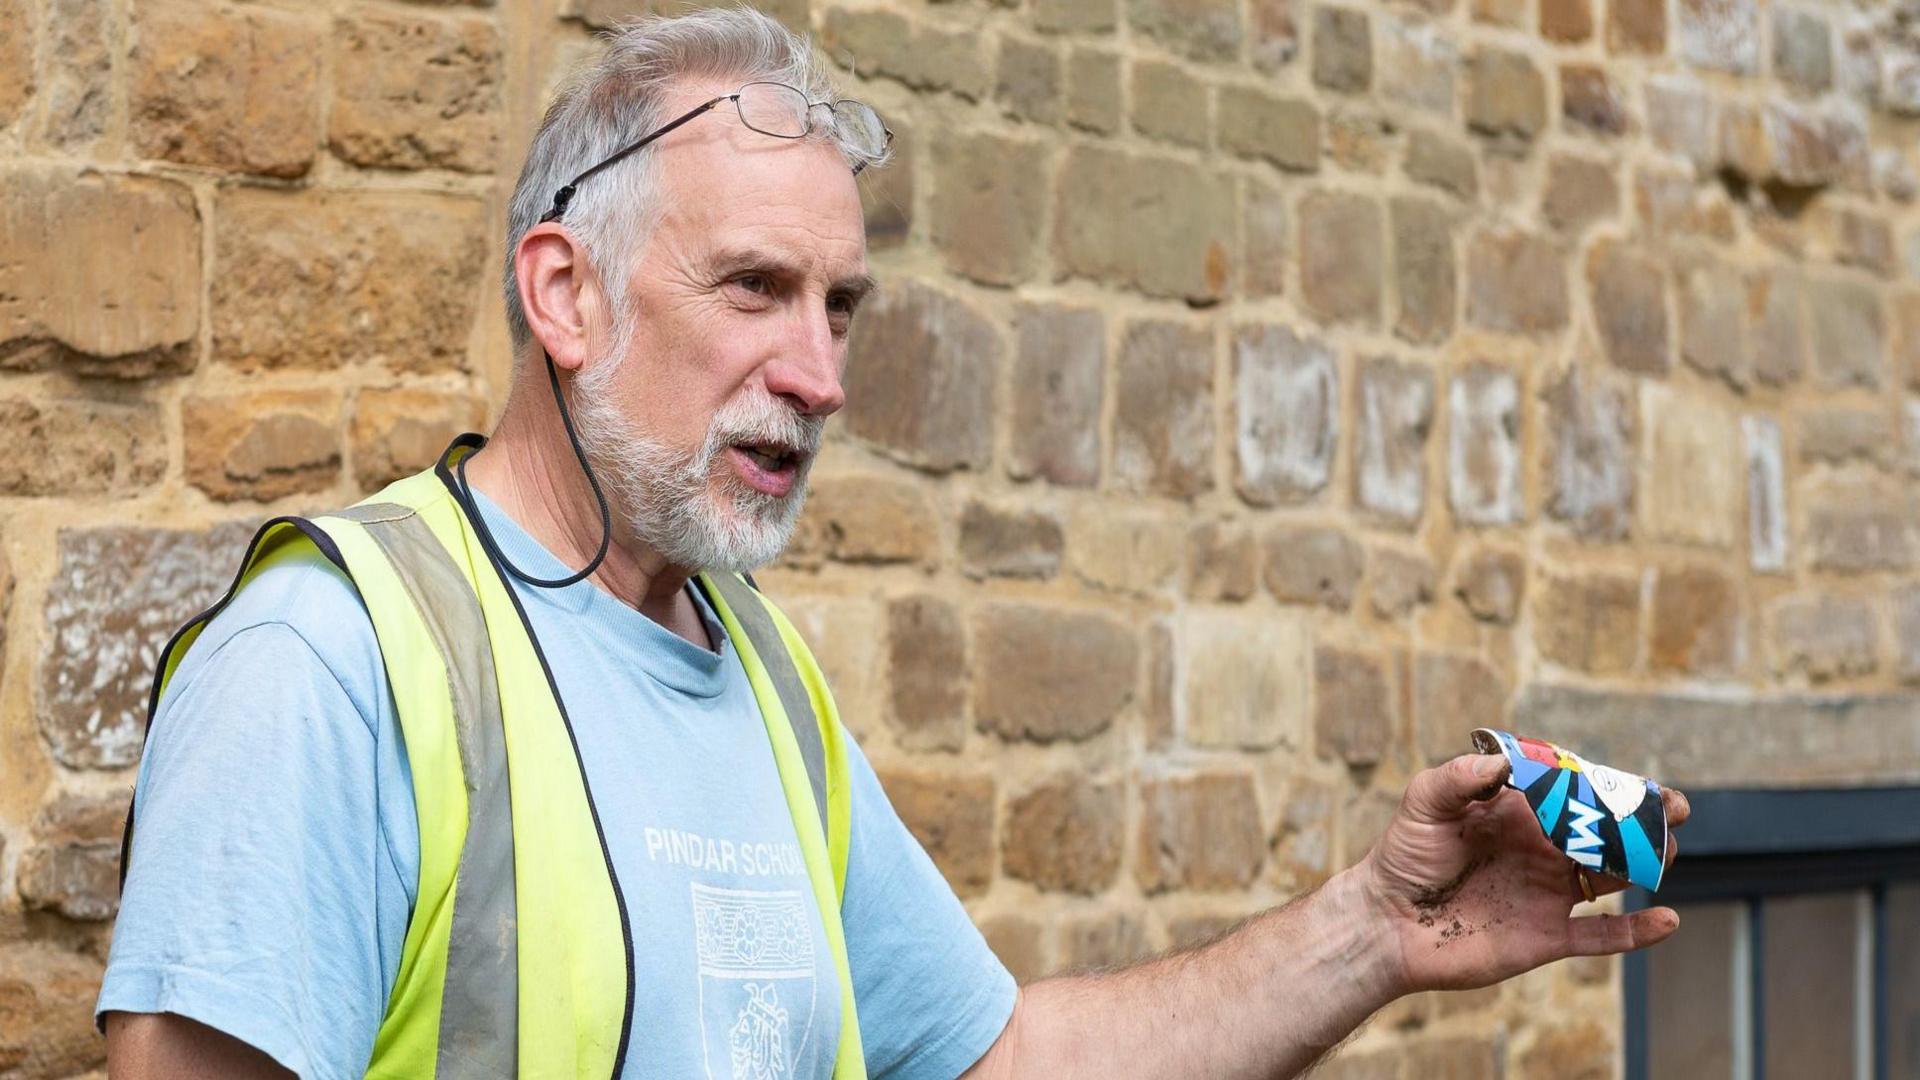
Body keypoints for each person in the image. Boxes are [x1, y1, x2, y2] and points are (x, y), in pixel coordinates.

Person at [98, 9, 1689, 1079]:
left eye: (839, 304)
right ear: (564, 294)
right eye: (752, 291)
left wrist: (1376, 931)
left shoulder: (760, 681)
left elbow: (1001, 1060)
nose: (821, 374)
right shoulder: (333, 662)